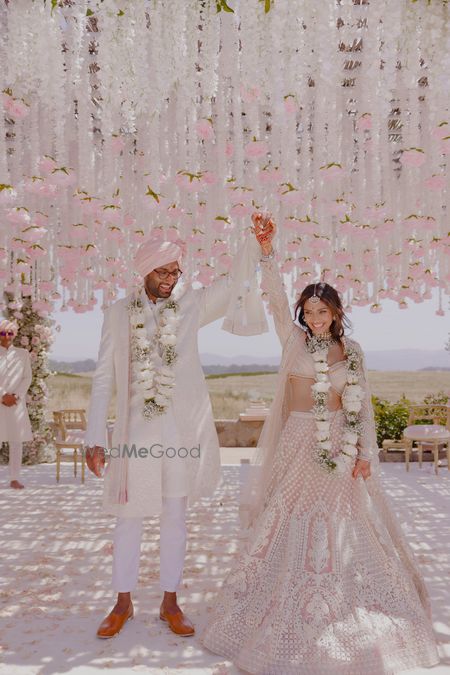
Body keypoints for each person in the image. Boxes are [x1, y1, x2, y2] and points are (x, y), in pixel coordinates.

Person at [201, 213, 439, 674]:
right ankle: (284, 597)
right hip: (298, 442)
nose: (313, 319)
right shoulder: (293, 341)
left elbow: (363, 404)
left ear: (336, 313)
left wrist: (365, 453)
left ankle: (338, 595)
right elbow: (272, 297)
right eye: (308, 313)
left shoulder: (353, 353)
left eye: (322, 312)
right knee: (288, 517)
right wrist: (267, 252)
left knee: (342, 521)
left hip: (341, 446)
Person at [85, 231, 268, 639]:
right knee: (127, 519)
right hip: (136, 437)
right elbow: (102, 379)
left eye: (175, 271)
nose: (170, 279)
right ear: (143, 271)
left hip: (182, 433)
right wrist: (94, 436)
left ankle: (170, 602)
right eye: (163, 271)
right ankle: (122, 602)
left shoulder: (189, 306)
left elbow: (231, 281)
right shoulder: (117, 313)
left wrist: (254, 246)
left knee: (175, 519)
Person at [0, 319, 33, 489]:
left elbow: (27, 377)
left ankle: (14, 478)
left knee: (16, 441)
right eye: (3, 333)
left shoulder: (22, 354)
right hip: (0, 402)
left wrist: (16, 396)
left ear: (14, 334)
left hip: (15, 404)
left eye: (10, 333)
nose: (6, 336)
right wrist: (2, 395)